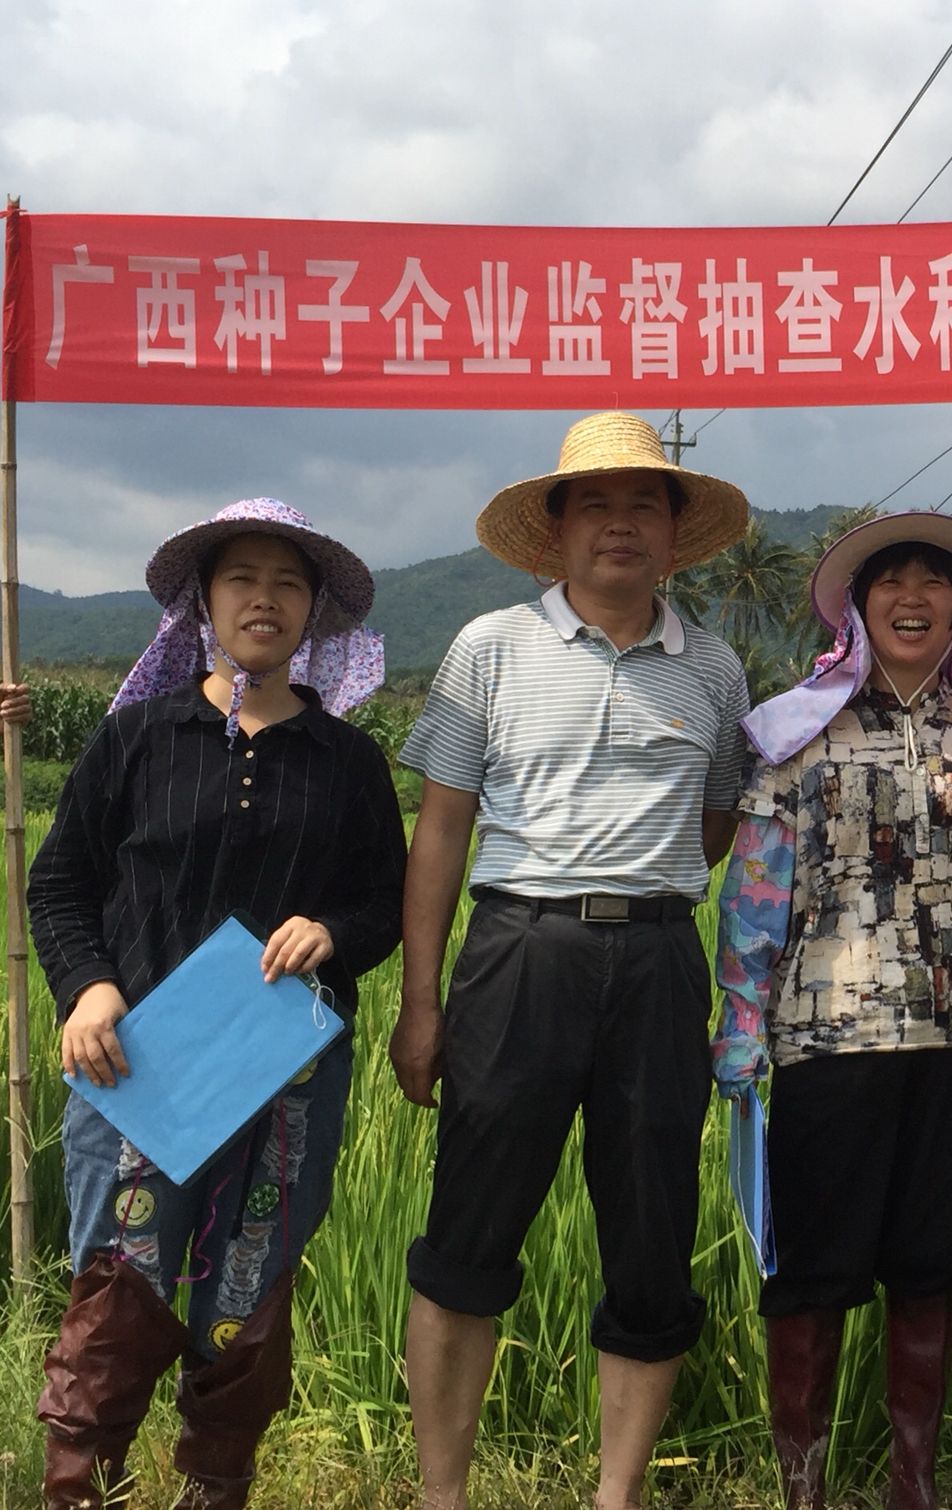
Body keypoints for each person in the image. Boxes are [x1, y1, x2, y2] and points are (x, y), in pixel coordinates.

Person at [390, 412, 751, 1510]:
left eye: (644, 505)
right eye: (596, 504)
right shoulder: (490, 648)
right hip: (518, 954)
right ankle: (442, 1494)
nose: (620, 524)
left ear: (675, 533)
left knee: (651, 1235)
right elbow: (440, 831)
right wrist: (419, 1003)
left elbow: (715, 824)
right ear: (557, 529)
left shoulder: (715, 668)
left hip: (659, 963)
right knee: (469, 1231)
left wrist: (637, 883)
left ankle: (616, 1495)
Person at [29, 499, 405, 1510]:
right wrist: (87, 987)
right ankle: (83, 1490)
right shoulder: (140, 738)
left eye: (287, 583)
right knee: (117, 1289)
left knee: (250, 1295)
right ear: (204, 601)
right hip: (135, 1064)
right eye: (242, 578)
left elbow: (385, 904)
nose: (263, 599)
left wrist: (332, 931)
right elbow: (58, 883)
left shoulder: (347, 762)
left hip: (284, 1075)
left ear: (314, 611)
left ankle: (215, 1489)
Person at [712, 512, 952, 1510]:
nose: (913, 596)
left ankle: (911, 1480)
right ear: (857, 606)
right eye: (892, 579)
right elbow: (757, 885)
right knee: (813, 1264)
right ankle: (803, 1483)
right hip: (825, 1032)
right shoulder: (797, 726)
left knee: (932, 1261)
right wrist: (741, 1021)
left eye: (936, 581)